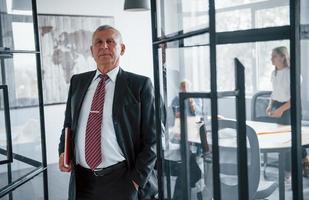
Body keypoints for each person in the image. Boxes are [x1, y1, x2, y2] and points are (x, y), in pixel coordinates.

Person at [58, 25, 157, 200]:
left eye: (110, 41)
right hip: (82, 182)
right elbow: (68, 125)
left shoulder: (139, 85)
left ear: (122, 48)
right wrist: (62, 153)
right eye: (98, 42)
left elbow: (154, 138)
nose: (104, 46)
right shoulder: (77, 82)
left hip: (122, 181)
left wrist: (136, 180)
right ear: (92, 50)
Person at [266, 46, 309, 178]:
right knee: (285, 139)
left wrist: (280, 110)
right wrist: (270, 106)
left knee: (289, 140)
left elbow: (294, 98)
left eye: (274, 56)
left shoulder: (293, 73)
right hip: (279, 106)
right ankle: (305, 161)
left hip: (291, 107)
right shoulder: (274, 73)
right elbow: (274, 92)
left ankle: (288, 174)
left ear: (282, 57)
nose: (271, 58)